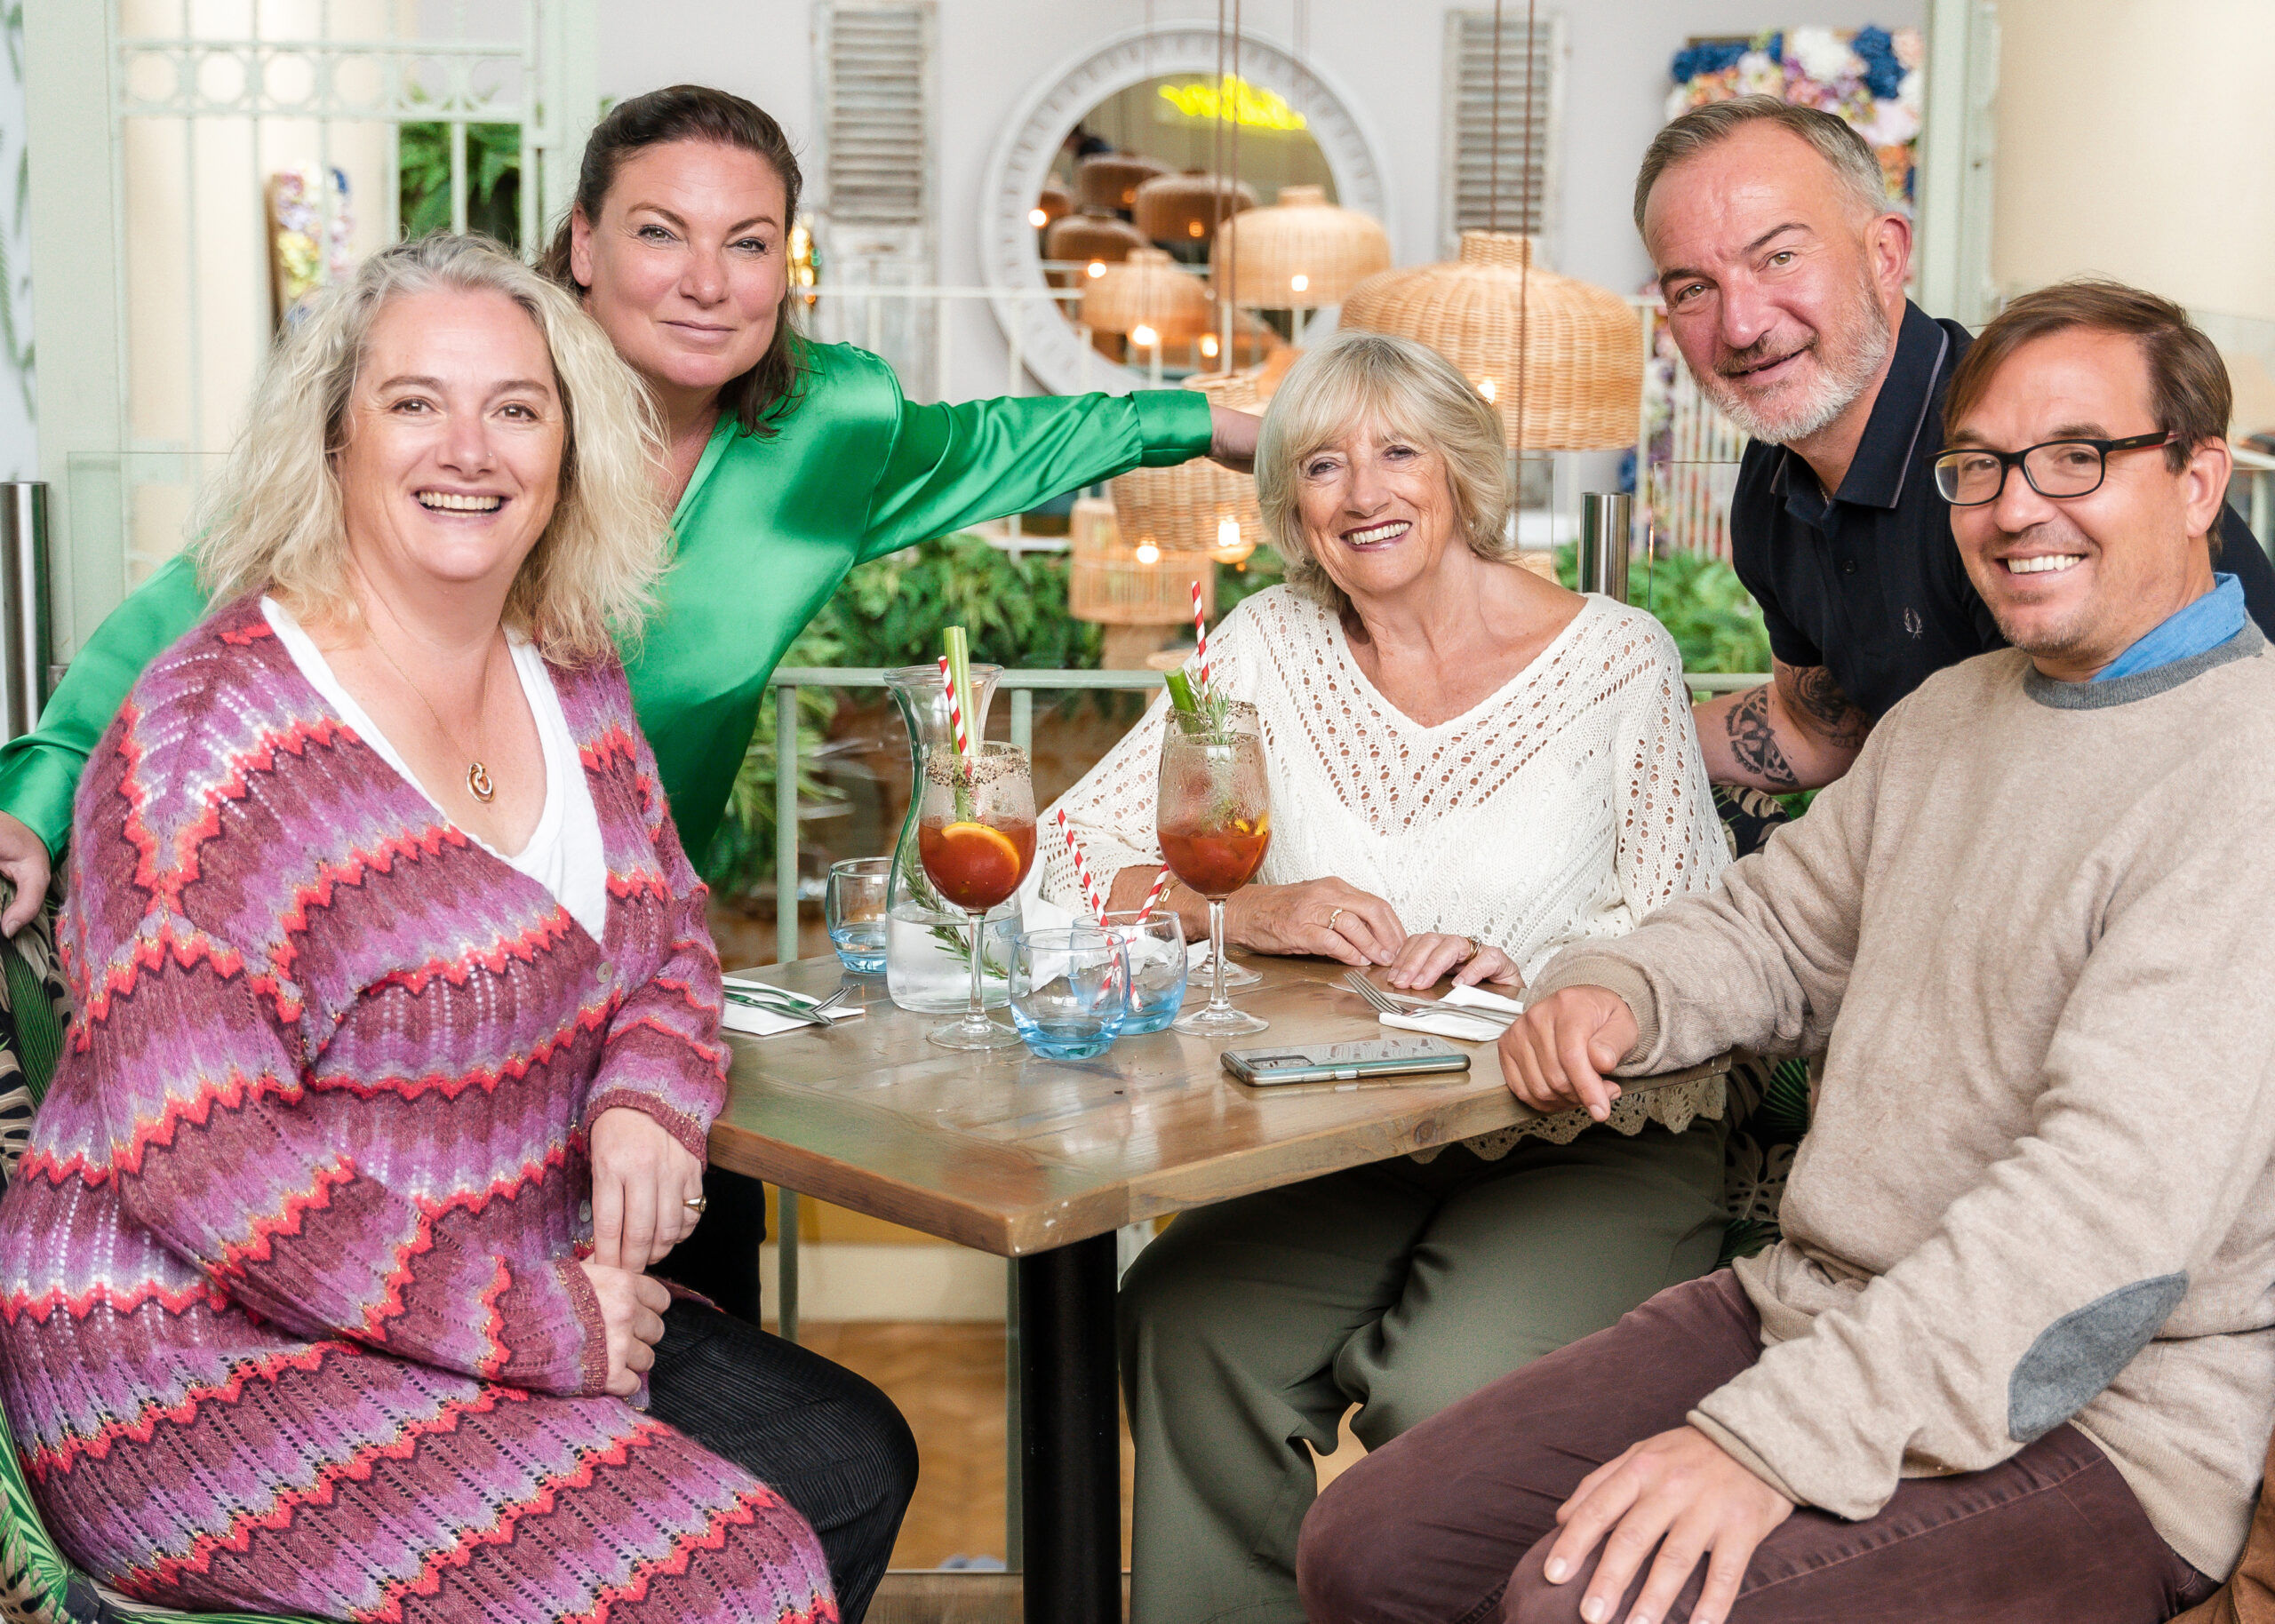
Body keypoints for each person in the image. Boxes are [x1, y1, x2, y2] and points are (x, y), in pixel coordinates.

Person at [0, 84, 1261, 1325]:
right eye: (661, 232)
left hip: (641, 1016)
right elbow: (193, 610)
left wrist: (1223, 423)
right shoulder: (464, 409)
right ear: (585, 247)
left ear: (788, 267)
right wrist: (38, 796)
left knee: (710, 1367)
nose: (708, 281)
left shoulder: (835, 429)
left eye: (749, 243)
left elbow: (1017, 441)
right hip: (408, 1026)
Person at [1296, 280, 2268, 1624]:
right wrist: (1620, 988)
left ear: (2199, 477)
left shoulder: (2245, 775)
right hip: (1814, 1304)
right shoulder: (1951, 717)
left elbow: (2101, 1232)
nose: (2016, 506)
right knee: (1375, 1546)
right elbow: (1777, 928)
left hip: (2107, 1417)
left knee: (1576, 1609)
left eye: (2078, 457)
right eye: (1978, 467)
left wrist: (1770, 1444)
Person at [0, 235, 875, 1620]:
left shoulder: (568, 676)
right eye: (415, 402)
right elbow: (204, 1163)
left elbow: (669, 945)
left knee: (849, 1461)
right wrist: (546, 1326)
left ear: (568, 449)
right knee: (738, 1572)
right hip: (192, 1366)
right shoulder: (212, 743)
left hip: (468, 1285)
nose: (469, 449)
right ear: (332, 437)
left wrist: (652, 1093)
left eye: (516, 408)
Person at [1042, 332, 1732, 1624]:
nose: (1364, 492)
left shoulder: (1618, 657)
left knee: (1453, 1391)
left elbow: (1693, 935)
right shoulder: (1263, 646)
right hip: (1351, 1129)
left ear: (1458, 470)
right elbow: (1070, 867)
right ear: (1291, 504)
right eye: (1322, 463)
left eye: (1398, 451)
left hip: (1586, 1129)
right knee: (1179, 1322)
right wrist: (1246, 908)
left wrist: (1546, 970)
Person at [1640, 96, 2275, 800]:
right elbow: (1821, 725)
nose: (1741, 325)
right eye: (1695, 288)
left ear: (1885, 254)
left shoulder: (2013, 466)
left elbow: (2102, 771)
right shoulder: (1776, 472)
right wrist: (1587, 751)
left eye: (1780, 257)